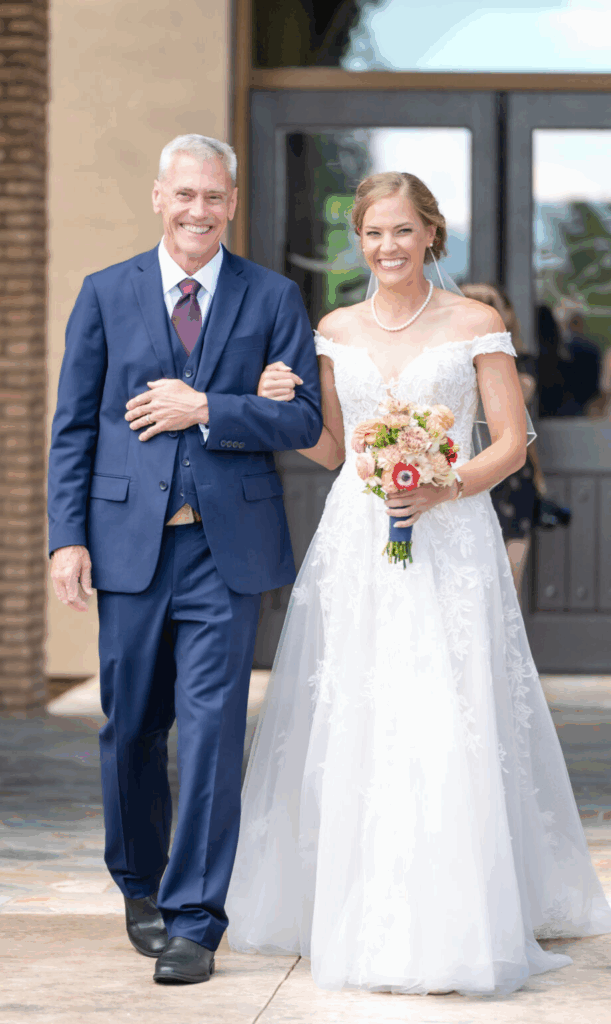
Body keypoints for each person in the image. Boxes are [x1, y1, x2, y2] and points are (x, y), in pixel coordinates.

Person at [227, 171, 611, 996]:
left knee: (446, 705)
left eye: (402, 231)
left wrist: (443, 487)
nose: (387, 247)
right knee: (359, 707)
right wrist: (283, 401)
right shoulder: (331, 328)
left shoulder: (475, 323)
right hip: (359, 539)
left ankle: (457, 918)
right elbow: (331, 451)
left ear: (430, 235)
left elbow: (508, 441)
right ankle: (355, 908)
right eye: (372, 233)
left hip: (453, 537)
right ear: (357, 241)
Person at [47, 134, 322, 985]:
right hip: (128, 543)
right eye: (185, 195)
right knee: (132, 725)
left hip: (224, 549)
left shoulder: (273, 297)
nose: (198, 210)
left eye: (214, 196)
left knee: (209, 731)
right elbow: (74, 426)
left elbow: (304, 421)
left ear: (232, 203)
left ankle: (196, 918)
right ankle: (140, 884)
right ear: (158, 197)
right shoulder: (104, 294)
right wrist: (67, 536)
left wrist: (209, 406)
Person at [460, 283, 546, 597]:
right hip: (464, 471)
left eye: (491, 303)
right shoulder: (444, 362)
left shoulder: (521, 360)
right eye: (472, 302)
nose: (482, 309)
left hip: (511, 477)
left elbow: (522, 391)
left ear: (506, 312)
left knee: (510, 577)